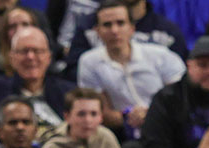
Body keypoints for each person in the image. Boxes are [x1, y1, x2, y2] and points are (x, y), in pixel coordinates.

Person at [77, 0, 186, 136]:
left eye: (120, 23)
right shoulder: (89, 62)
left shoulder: (162, 55)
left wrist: (151, 114)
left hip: (168, 128)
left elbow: (182, 99)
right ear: (97, 31)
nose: (114, 31)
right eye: (107, 25)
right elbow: (98, 112)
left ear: (132, 28)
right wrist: (128, 117)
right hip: (122, 133)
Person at [0, 27, 74, 137]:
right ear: (12, 58)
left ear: (49, 57)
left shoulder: (69, 92)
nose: (30, 57)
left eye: (37, 51)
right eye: (24, 51)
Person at [39, 87, 127, 148]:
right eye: (81, 114)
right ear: (67, 116)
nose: (88, 120)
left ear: (101, 117)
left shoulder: (107, 138)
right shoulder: (52, 146)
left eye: (93, 114)